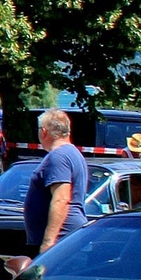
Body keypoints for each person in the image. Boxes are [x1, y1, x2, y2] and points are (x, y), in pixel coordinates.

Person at [23, 108, 88, 254]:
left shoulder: (58, 156)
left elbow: (61, 199)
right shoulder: (72, 153)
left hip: (61, 238)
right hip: (66, 235)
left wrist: (48, 242)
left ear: (43, 131)